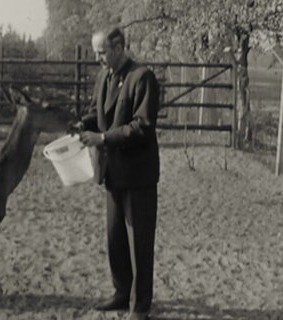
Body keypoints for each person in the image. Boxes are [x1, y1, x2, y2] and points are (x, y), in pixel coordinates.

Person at [75, 27, 160, 320]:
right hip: (112, 173)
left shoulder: (142, 77)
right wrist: (83, 125)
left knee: (139, 243)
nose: (97, 58)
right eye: (96, 52)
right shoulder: (105, 76)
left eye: (102, 52)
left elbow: (142, 126)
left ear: (119, 46)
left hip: (138, 175)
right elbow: (99, 114)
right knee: (115, 240)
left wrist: (102, 139)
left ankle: (140, 306)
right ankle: (122, 293)